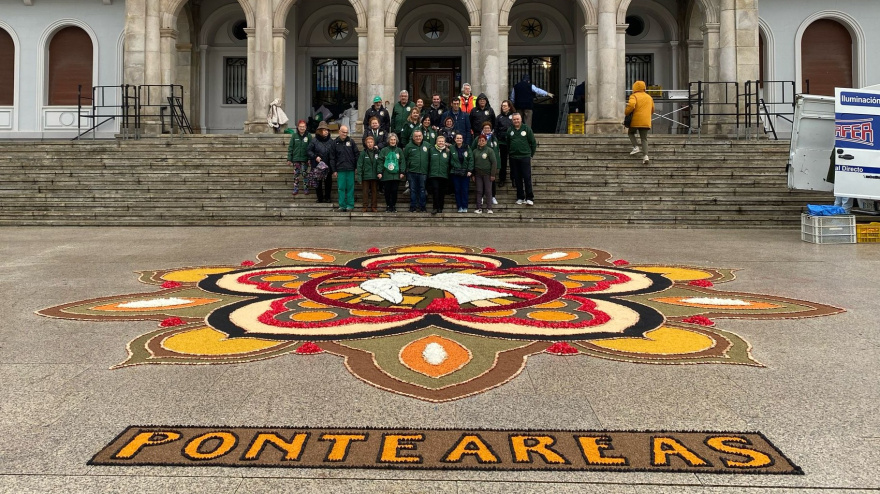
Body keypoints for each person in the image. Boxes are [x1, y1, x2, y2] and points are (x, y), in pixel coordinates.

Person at [507, 112, 537, 205]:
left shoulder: (527, 129)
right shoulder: (510, 130)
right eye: (514, 119)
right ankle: (520, 197)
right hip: (513, 157)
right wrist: (511, 152)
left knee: (527, 177)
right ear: (512, 120)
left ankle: (530, 197)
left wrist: (530, 154)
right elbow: (508, 143)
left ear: (521, 119)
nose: (516, 121)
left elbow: (533, 143)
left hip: (524, 157)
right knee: (517, 178)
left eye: (517, 119)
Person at [625, 80, 655, 164]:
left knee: (631, 133)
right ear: (644, 88)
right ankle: (646, 156)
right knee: (644, 139)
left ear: (634, 88)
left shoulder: (634, 96)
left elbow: (631, 105)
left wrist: (626, 112)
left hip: (635, 120)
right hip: (646, 121)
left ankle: (636, 147)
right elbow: (653, 110)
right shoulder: (649, 97)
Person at [331, 125, 359, 212]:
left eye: (346, 132)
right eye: (343, 132)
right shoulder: (335, 143)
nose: (345, 134)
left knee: (350, 188)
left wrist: (356, 167)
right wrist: (334, 170)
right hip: (340, 169)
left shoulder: (351, 141)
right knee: (341, 188)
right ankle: (342, 205)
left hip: (350, 169)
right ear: (339, 132)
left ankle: (350, 205)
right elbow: (332, 158)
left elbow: (357, 154)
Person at [472, 121, 500, 206]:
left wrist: (497, 164)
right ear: (482, 129)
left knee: (492, 182)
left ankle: (493, 197)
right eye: (485, 128)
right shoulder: (478, 138)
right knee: (481, 184)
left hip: (492, 164)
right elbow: (473, 148)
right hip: (480, 165)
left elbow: (497, 150)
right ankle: (481, 198)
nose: (487, 129)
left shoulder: (494, 138)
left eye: (488, 128)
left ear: (491, 129)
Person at [402, 130, 430, 213]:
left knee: (422, 190)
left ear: (422, 136)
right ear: (413, 138)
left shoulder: (427, 145)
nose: (418, 138)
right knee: (413, 190)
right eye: (416, 136)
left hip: (423, 172)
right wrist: (405, 170)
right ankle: (413, 207)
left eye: (419, 136)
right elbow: (405, 159)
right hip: (412, 172)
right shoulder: (408, 146)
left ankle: (422, 207)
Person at [307, 121, 335, 204]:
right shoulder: (314, 140)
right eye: (324, 130)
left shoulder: (331, 141)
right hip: (317, 165)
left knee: (328, 182)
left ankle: (327, 197)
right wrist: (315, 157)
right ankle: (319, 198)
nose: (326, 131)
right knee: (318, 183)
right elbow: (308, 151)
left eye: (327, 130)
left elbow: (333, 153)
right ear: (320, 131)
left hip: (327, 165)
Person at [378, 133, 405, 212]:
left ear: (396, 141)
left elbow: (402, 161)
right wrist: (379, 172)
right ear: (388, 141)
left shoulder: (399, 150)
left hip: (396, 176)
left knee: (394, 191)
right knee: (387, 192)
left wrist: (402, 172)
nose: (393, 141)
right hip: (386, 175)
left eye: (394, 140)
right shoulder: (384, 150)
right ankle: (388, 205)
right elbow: (380, 161)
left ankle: (393, 205)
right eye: (391, 140)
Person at [427, 135, 452, 215]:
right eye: (439, 141)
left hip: (444, 175)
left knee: (442, 192)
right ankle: (435, 207)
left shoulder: (448, 151)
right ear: (436, 142)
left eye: (442, 141)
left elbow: (450, 163)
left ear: (445, 142)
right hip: (434, 175)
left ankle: (440, 207)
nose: (441, 143)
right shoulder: (431, 150)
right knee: (435, 191)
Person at [286, 119, 312, 196]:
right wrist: (289, 158)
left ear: (306, 127)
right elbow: (290, 147)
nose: (302, 128)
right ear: (297, 127)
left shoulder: (308, 136)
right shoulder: (294, 136)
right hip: (296, 159)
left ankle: (306, 188)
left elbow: (311, 148)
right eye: (300, 127)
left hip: (305, 159)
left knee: (305, 174)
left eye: (303, 126)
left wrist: (310, 158)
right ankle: (296, 188)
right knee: (296, 175)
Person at [449, 133, 473, 213]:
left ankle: (465, 206)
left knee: (465, 190)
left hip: (466, 173)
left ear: (462, 139)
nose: (459, 139)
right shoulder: (451, 148)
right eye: (457, 138)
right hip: (455, 172)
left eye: (460, 138)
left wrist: (470, 170)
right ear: (455, 139)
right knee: (457, 190)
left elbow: (471, 159)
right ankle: (459, 207)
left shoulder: (467, 147)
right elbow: (449, 159)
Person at [357, 135, 381, 212]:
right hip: (365, 176)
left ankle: (374, 206)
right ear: (366, 144)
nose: (370, 144)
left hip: (374, 176)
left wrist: (379, 172)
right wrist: (359, 176)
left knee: (374, 192)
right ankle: (365, 206)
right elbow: (360, 165)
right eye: (368, 142)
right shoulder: (363, 153)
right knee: (365, 192)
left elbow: (380, 163)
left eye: (371, 142)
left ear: (373, 143)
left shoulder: (377, 152)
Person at [495, 100, 515, 187]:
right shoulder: (499, 117)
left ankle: (514, 179)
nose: (504, 107)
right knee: (503, 162)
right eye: (502, 106)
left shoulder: (514, 116)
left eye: (505, 106)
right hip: (502, 143)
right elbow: (496, 130)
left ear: (509, 107)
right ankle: (502, 179)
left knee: (513, 162)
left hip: (512, 143)